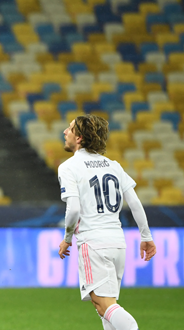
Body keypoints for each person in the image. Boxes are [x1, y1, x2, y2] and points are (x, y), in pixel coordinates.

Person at [57, 114, 157, 330]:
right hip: (117, 243)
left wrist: (66, 238)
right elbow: (135, 203)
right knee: (104, 308)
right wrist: (146, 236)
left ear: (80, 138)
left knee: (105, 306)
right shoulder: (113, 165)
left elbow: (73, 208)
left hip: (93, 243)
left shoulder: (69, 167)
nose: (65, 131)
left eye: (70, 128)